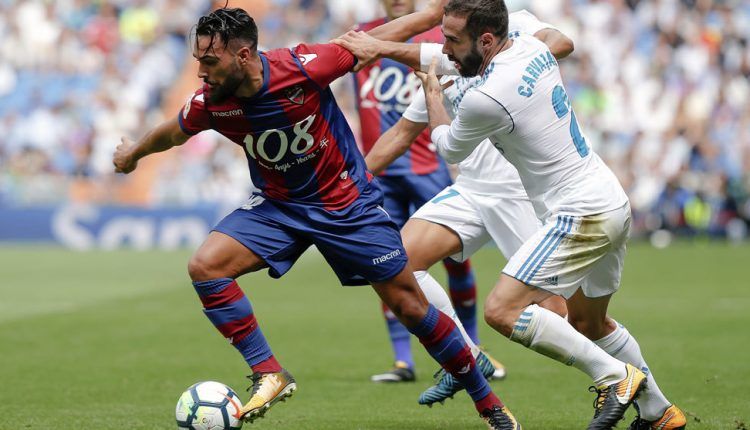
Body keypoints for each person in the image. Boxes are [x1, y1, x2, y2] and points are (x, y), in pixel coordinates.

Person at [112, 5, 520, 429]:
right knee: (205, 266)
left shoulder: (303, 66)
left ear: (245, 56)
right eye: (199, 61)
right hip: (281, 207)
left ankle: (489, 404)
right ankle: (268, 372)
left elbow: (371, 40)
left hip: (346, 206)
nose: (201, 72)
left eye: (210, 62)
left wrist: (435, 13)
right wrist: (133, 155)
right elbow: (173, 132)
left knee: (411, 308)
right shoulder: (211, 103)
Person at [335, 1, 686, 429]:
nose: (441, 48)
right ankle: (658, 411)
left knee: (516, 312)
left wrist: (426, 88)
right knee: (586, 321)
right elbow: (429, 71)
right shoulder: (517, 47)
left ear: (485, 38)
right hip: (589, 196)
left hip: (560, 206)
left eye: (450, 39)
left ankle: (615, 378)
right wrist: (380, 49)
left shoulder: (488, 92)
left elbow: (447, 146)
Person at [350, 8, 570, 406]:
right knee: (398, 262)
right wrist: (349, 185)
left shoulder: (515, 23)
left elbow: (562, 43)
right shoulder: (452, 56)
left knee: (560, 315)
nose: (445, 41)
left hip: (516, 190)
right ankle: (469, 354)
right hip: (471, 188)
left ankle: (619, 377)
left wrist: (506, 66)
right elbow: (400, 132)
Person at [352, 0, 497, 384]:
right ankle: (403, 360)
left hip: (426, 166)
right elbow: (343, 55)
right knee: (383, 262)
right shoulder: (366, 34)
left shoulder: (443, 40)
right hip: (381, 171)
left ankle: (474, 345)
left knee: (454, 260)